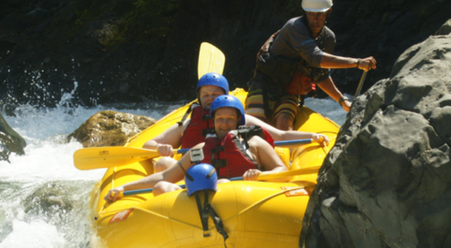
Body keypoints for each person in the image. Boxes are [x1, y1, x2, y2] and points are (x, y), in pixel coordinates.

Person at [106, 95, 287, 202]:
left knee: (223, 184)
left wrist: (261, 176)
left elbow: (283, 170)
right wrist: (123, 187)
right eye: (219, 119)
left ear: (238, 121)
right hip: (203, 205)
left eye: (230, 119)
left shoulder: (255, 144)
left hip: (246, 198)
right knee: (162, 187)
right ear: (213, 121)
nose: (224, 124)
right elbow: (165, 176)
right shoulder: (200, 149)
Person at [143, 73, 329, 172]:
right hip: (197, 175)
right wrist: (161, 149)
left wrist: (312, 136)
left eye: (215, 95)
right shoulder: (189, 123)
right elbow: (148, 144)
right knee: (162, 164)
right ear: (199, 98)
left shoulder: (241, 120)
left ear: (225, 96)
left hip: (238, 176)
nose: (210, 99)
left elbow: (281, 136)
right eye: (205, 95)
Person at [245, 0, 377, 130]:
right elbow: (315, 58)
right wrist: (357, 63)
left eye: (319, 14)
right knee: (254, 128)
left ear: (328, 12)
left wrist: (342, 101)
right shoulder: (295, 27)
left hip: (288, 91)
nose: (315, 19)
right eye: (311, 14)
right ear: (305, 13)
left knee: (284, 121)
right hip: (263, 85)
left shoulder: (328, 38)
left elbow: (321, 75)